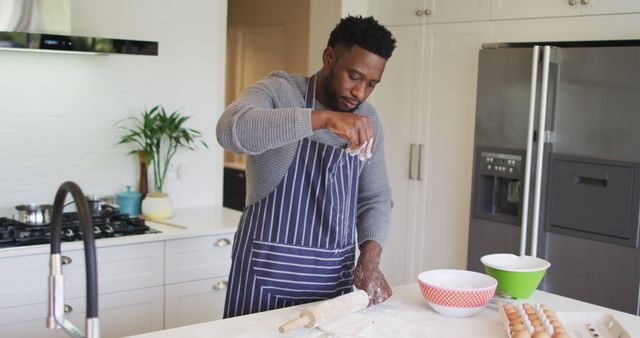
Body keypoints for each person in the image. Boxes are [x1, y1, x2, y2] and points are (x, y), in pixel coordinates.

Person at [217, 15, 396, 318]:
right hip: (263, 276)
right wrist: (321, 119)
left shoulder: (368, 119)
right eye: (354, 76)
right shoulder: (278, 91)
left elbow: (375, 197)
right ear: (329, 58)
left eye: (371, 84)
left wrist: (370, 256)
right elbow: (230, 130)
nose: (360, 93)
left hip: (330, 285)